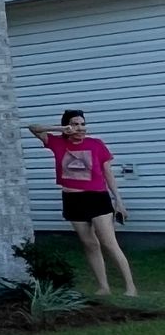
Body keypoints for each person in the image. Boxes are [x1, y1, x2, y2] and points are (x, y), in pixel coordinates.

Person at [25, 110, 137, 297]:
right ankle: (103, 287)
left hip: (97, 198)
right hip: (72, 200)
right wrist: (61, 129)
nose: (80, 128)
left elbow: (108, 173)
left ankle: (130, 287)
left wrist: (119, 200)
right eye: (75, 124)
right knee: (89, 244)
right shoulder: (57, 143)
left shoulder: (96, 144)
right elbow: (33, 128)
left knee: (109, 243)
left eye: (83, 124)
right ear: (67, 127)